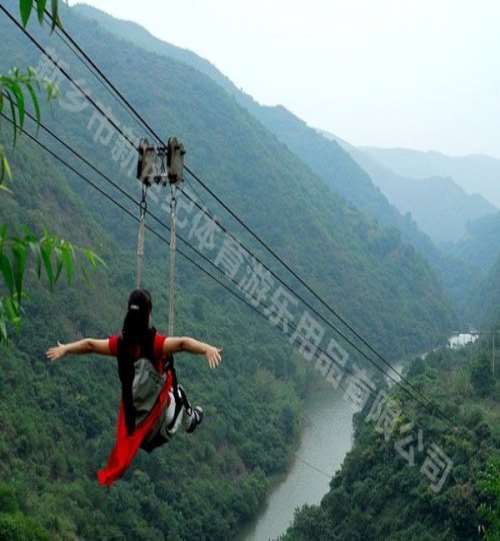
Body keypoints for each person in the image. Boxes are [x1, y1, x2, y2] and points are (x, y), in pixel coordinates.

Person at [46, 289, 223, 486]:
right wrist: (207, 348)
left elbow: (90, 345)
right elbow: (182, 343)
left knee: (172, 388)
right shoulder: (154, 345)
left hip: (135, 422)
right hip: (159, 422)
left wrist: (66, 349)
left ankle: (189, 416)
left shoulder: (122, 345)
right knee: (178, 392)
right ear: (148, 314)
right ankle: (191, 419)